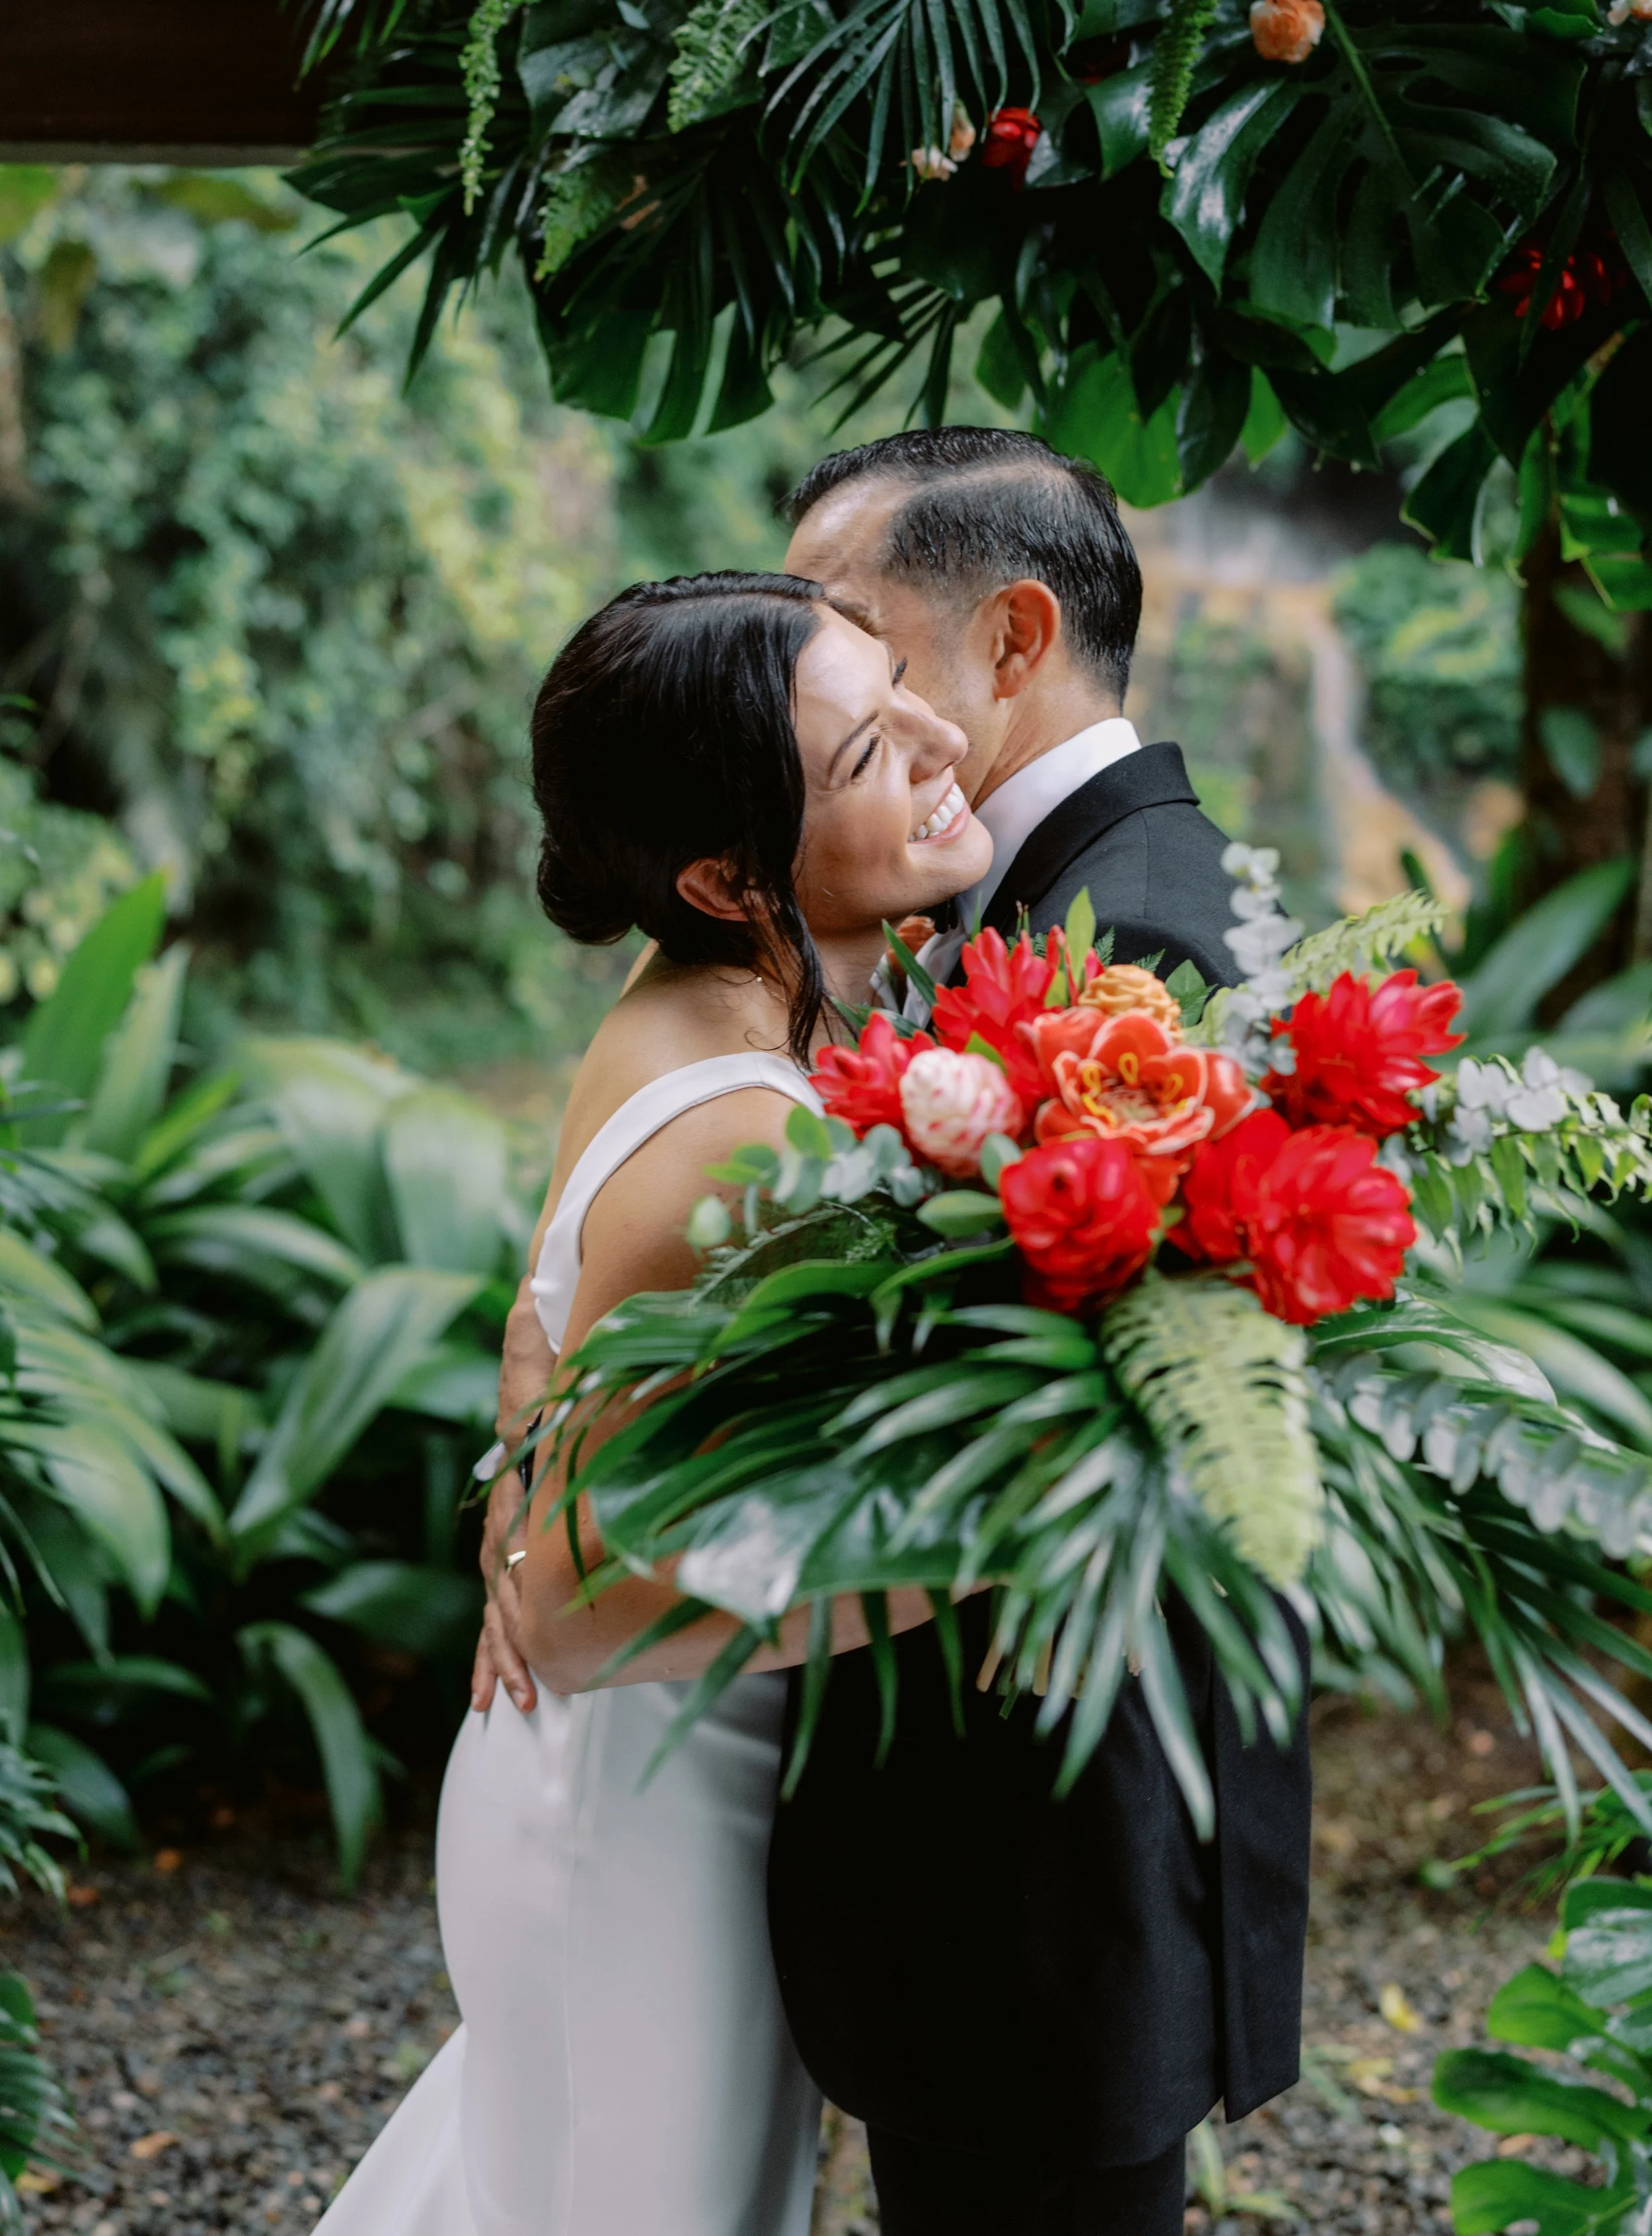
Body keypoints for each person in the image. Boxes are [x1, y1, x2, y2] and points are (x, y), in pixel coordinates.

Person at [477, 433, 1313, 2236]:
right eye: (842, 714)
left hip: (1039, 1896)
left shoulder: (1136, 949)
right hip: (717, 1768)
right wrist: (536, 1489)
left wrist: (549, 1503)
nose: (889, 730)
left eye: (855, 636)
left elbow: (1139, 1446)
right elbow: (603, 1284)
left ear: (1008, 637)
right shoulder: (791, 980)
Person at [313, 569, 993, 2236]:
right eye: (860, 757)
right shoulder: (735, 1123)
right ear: (720, 874)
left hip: (609, 1782)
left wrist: (515, 1489)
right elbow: (566, 1610)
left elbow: (551, 1327)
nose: (932, 735)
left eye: (901, 681)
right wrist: (986, 1564)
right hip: (631, 1816)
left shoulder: (692, 1001)